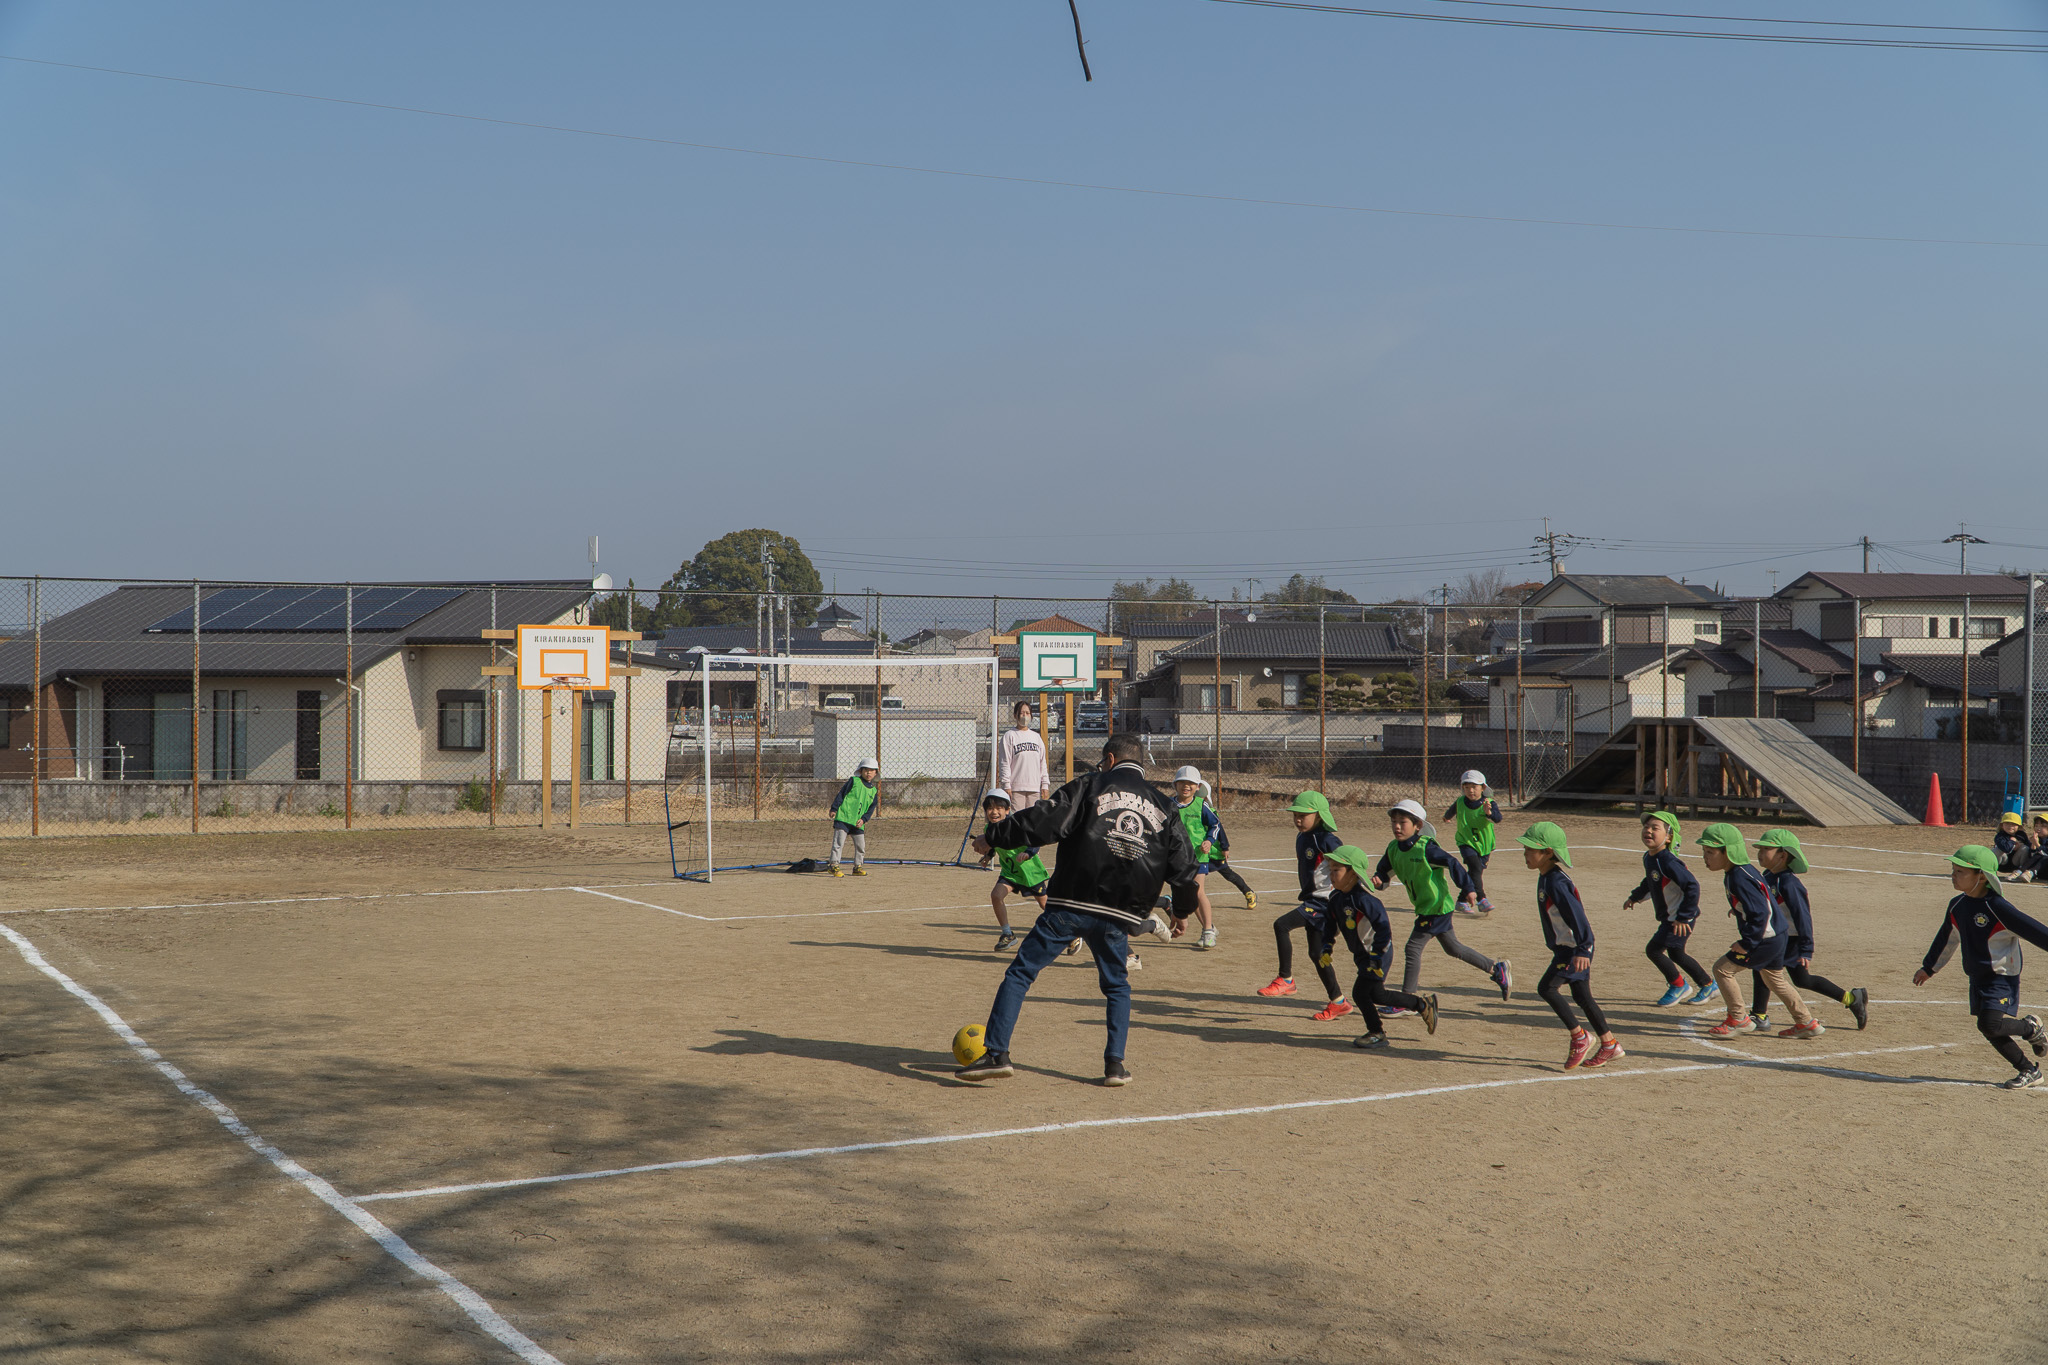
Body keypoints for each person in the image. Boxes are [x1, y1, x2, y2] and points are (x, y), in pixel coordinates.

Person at [960, 732, 1196, 1086]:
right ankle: (1115, 1065)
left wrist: (993, 836)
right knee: (1117, 986)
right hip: (1120, 912)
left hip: (1072, 903)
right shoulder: (1165, 807)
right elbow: (1185, 868)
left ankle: (997, 1053)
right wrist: (1182, 910)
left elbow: (1043, 820)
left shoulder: (1089, 785)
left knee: (1021, 973)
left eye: (1104, 762)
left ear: (1111, 760)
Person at [1914, 845, 2048, 1089]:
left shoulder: (1997, 907)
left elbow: (2034, 931)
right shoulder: (1957, 905)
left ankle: (2030, 1029)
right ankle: (2029, 1070)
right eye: (1953, 870)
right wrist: (1929, 968)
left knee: (1990, 1024)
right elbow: (1947, 939)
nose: (1953, 875)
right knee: (1989, 1027)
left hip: (2001, 976)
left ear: (1982, 876)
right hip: (1977, 976)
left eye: (1960, 871)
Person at [1373, 799, 1510, 1004]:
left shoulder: (1426, 848)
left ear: (1418, 825)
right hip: (1427, 907)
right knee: (1453, 948)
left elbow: (1452, 862)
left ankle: (1408, 1001)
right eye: (1394, 822)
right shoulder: (1393, 848)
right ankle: (1495, 968)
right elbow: (1383, 872)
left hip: (1436, 907)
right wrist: (1379, 881)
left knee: (1413, 948)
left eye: (1403, 822)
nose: (1397, 826)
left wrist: (1468, 889)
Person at [1517, 822, 1623, 1069]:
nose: (1525, 853)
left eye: (1531, 849)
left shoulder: (1556, 882)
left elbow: (1578, 917)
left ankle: (1580, 1037)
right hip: (1568, 947)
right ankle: (1610, 1045)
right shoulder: (1546, 877)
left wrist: (1584, 948)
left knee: (1547, 987)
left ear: (1548, 853)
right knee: (1582, 996)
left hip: (1574, 948)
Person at [1697, 823, 1818, 1039]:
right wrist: (1740, 910)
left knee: (1722, 970)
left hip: (1765, 938)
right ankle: (1806, 1022)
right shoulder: (1742, 871)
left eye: (1710, 852)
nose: (1705, 857)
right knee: (1774, 979)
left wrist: (1747, 943)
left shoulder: (1738, 877)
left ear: (1728, 852)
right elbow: (1764, 903)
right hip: (1776, 935)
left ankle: (1738, 1019)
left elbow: (1761, 914)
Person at [1747, 829, 1869, 1030]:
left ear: (1782, 855)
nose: (1760, 853)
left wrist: (1806, 949)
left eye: (1766, 849)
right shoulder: (1768, 876)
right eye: (1760, 848)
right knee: (1785, 976)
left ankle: (1759, 1016)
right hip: (1777, 937)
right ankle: (1851, 998)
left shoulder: (1789, 883)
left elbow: (1803, 917)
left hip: (1791, 939)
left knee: (1773, 972)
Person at [1321, 845, 1439, 1049]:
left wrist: (1376, 958)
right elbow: (1331, 926)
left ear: (1353, 873)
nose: (1331, 875)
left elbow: (1384, 930)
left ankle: (1377, 1032)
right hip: (1362, 955)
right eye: (1330, 870)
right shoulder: (1336, 899)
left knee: (1361, 993)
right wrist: (1326, 947)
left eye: (1336, 870)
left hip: (1378, 954)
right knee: (1377, 995)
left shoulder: (1366, 901)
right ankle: (1422, 1005)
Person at [1256, 791, 1353, 1021]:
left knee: (1281, 925)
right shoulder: (1302, 837)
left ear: (1319, 816)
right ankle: (1339, 1002)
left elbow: (1346, 865)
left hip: (1324, 904)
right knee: (1316, 953)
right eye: (1295, 815)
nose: (1298, 819)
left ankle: (1286, 980)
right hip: (1313, 901)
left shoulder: (1326, 839)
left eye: (1303, 815)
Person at [1624, 811, 1715, 1008]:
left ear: (1669, 836)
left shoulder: (1669, 861)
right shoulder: (1650, 858)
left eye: (1655, 828)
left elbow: (1692, 886)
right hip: (1672, 917)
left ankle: (1678, 985)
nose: (1648, 830)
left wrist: (1684, 917)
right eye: (1646, 827)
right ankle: (1707, 984)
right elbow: (1650, 881)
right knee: (1676, 953)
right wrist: (1635, 896)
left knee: (1654, 950)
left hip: (1680, 918)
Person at [977, 789, 1048, 952]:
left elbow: (1036, 840)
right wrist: (988, 856)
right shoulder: (989, 828)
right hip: (1010, 873)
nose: (994, 812)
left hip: (1030, 873)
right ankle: (1007, 934)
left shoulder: (1016, 826)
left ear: (1007, 810)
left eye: (998, 808)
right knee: (996, 896)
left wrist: (1028, 852)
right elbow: (995, 843)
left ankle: (1070, 934)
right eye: (990, 809)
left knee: (1045, 905)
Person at [1168, 766, 1222, 950]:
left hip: (1198, 857)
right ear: (1175, 784)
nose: (1186, 786)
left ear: (1198, 786)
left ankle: (1208, 931)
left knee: (1198, 891)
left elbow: (1215, 825)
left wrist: (1209, 841)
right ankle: (1210, 928)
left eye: (1191, 783)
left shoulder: (1201, 805)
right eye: (1183, 782)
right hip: (1176, 857)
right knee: (1189, 894)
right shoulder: (1168, 805)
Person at [1442, 770, 1503, 914]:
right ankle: (1482, 899)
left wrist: (1489, 813)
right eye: (1467, 787)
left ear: (1482, 788)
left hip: (1485, 845)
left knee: (1475, 873)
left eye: (1474, 787)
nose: (1470, 790)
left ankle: (1461, 901)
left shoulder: (1489, 803)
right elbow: (1453, 810)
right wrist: (1447, 817)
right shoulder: (1460, 802)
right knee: (1475, 868)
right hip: (1466, 842)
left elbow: (1498, 819)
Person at [996, 700, 1051, 811]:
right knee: (1017, 820)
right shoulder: (1009, 736)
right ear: (1015, 715)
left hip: (1034, 788)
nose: (1025, 716)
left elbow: (1042, 763)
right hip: (1016, 788)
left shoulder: (1036, 737)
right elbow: (1004, 762)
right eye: (1022, 713)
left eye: (1027, 713)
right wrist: (1006, 785)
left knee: (1032, 820)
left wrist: (1045, 784)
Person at [827, 759, 878, 876]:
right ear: (860, 771)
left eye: (871, 770)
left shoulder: (874, 791)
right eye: (866, 770)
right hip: (844, 818)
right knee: (838, 843)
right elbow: (841, 794)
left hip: (858, 822)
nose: (868, 773)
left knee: (861, 846)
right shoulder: (853, 781)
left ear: (875, 773)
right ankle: (833, 865)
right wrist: (834, 808)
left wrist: (864, 820)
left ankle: (857, 867)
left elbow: (870, 809)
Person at [1206, 809, 1258, 910]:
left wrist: (1225, 847)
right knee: (1192, 876)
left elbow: (1219, 830)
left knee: (1228, 874)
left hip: (1214, 852)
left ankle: (1249, 893)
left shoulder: (1208, 811)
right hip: (1200, 852)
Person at [1993, 812, 2045, 883]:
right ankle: (1992, 871)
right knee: (1997, 850)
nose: (2010, 826)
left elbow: (2029, 851)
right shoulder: (2000, 836)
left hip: (2015, 864)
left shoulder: (2021, 835)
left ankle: (2021, 871)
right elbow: (2006, 848)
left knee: (2024, 848)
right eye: (2007, 824)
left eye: (2013, 824)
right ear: (2002, 825)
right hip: (2003, 863)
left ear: (2019, 826)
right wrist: (2013, 842)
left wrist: (2032, 845)